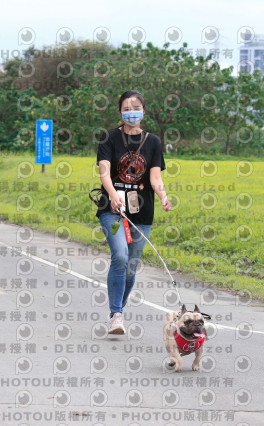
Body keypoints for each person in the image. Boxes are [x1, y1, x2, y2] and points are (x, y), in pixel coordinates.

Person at [96, 90, 173, 335]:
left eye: (136, 107)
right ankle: (116, 315)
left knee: (131, 266)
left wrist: (163, 196)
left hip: (141, 213)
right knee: (119, 256)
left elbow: (155, 177)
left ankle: (119, 308)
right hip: (113, 210)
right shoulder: (109, 138)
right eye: (126, 109)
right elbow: (104, 173)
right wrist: (113, 194)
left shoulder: (153, 142)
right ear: (120, 112)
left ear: (143, 111)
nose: (131, 112)